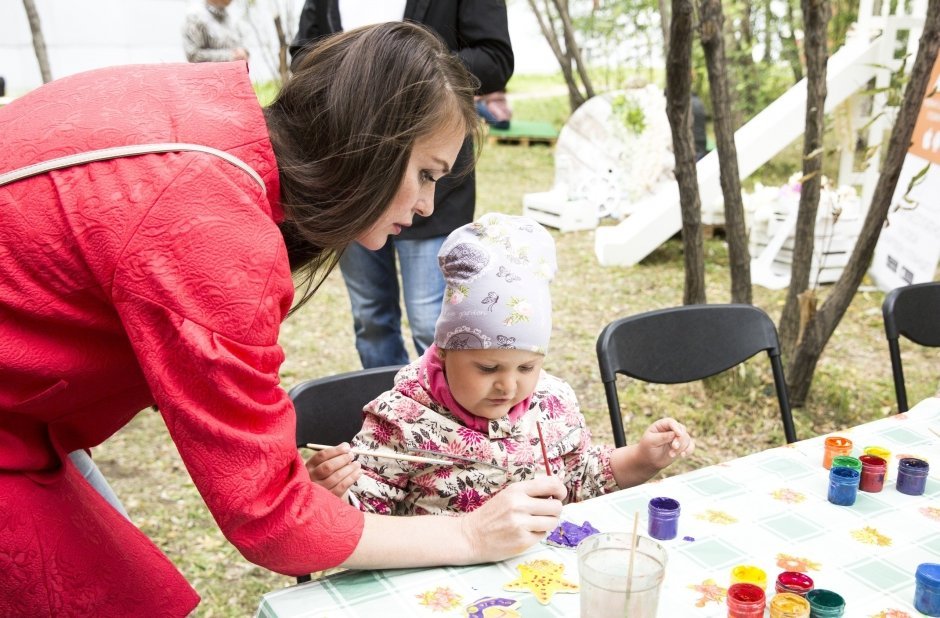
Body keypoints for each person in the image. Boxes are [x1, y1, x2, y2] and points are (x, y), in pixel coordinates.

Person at [0, 23, 565, 616]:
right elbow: (270, 518)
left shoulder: (216, 120)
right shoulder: (212, 228)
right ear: (369, 139)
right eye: (426, 173)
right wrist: (470, 535)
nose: (427, 206)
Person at [308, 213, 695, 515]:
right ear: (442, 352)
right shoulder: (402, 420)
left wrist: (643, 460)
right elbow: (364, 518)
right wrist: (328, 493)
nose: (508, 387)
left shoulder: (554, 402)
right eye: (488, 369)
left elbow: (581, 479)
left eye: (526, 368)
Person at [290, 1, 514, 369]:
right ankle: (387, 416)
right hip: (350, 175)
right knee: (371, 317)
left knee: (433, 321)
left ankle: (447, 419)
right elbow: (304, 54)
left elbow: (495, 59)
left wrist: (402, 76)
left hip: (435, 184)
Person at [183, 0, 249, 63]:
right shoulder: (196, 17)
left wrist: (243, 53)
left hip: (235, 73)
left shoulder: (232, 16)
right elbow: (193, 55)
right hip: (209, 73)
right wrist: (229, 56)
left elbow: (241, 44)